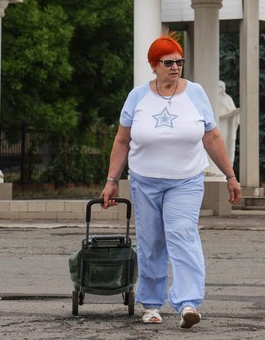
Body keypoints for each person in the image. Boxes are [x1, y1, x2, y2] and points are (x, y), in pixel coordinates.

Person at [101, 34, 242, 329]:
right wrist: (111, 180)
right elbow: (122, 139)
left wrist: (230, 175)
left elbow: (212, 137)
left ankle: (188, 303)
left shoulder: (196, 93)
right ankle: (151, 304)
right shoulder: (138, 96)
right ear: (154, 65)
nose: (176, 67)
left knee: (182, 235)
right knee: (151, 241)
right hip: (145, 181)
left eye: (180, 62)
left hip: (186, 181)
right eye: (169, 62)